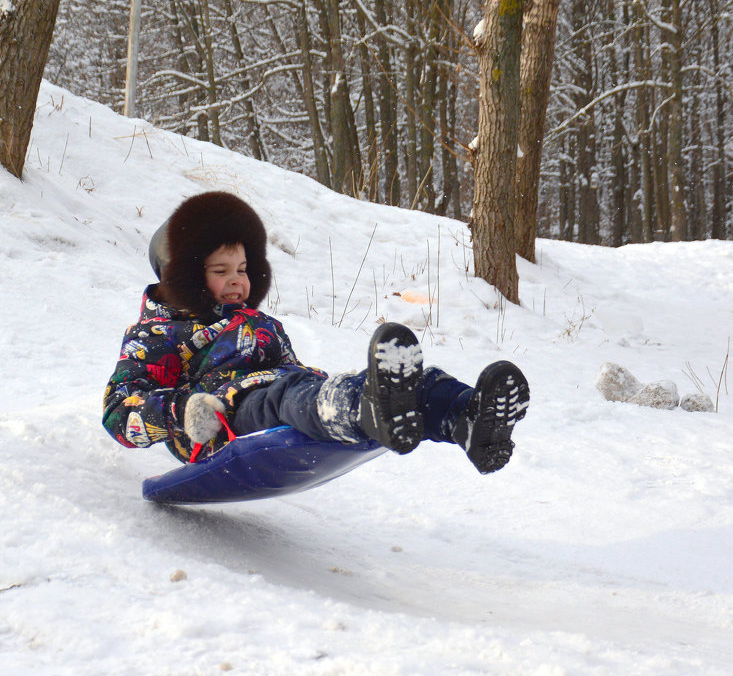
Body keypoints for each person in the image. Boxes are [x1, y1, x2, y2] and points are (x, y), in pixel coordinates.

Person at [103, 191, 529, 473]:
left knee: (372, 384)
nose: (238, 281)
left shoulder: (257, 323)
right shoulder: (158, 332)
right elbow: (119, 410)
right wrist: (183, 412)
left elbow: (288, 371)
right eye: (221, 271)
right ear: (184, 277)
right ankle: (362, 409)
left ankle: (465, 417)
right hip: (225, 422)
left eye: (244, 269)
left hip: (287, 396)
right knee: (296, 398)